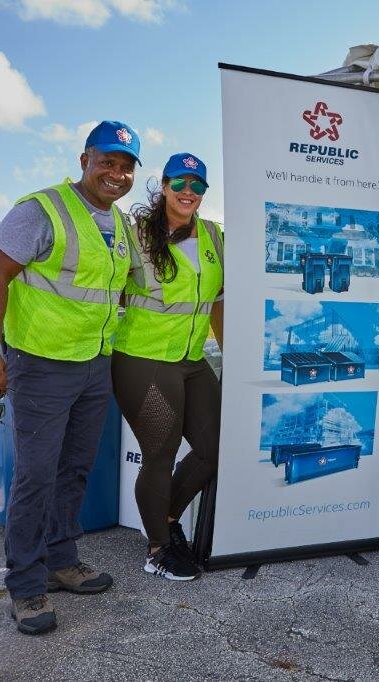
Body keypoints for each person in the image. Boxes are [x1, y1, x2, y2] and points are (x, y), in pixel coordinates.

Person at [0, 121, 140, 634]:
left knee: (74, 470)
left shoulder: (120, 224)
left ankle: (62, 560)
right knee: (36, 476)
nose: (116, 174)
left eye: (126, 166)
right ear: (84, 160)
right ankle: (26, 586)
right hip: (41, 364)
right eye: (107, 161)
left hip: (93, 363)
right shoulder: (40, 210)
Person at [111, 153, 224, 582]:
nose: (188, 192)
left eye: (197, 185)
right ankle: (158, 549)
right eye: (180, 183)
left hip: (191, 360)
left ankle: (165, 519)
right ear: (163, 186)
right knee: (160, 453)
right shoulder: (136, 233)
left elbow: (218, 302)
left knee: (215, 448)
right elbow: (111, 291)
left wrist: (229, 354)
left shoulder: (214, 235)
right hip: (143, 358)